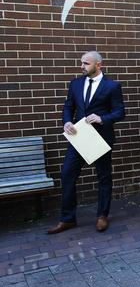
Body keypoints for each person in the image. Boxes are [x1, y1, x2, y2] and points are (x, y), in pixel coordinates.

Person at [47, 51, 125, 234]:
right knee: (67, 174)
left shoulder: (112, 86)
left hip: (100, 139)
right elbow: (68, 107)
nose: (82, 66)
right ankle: (67, 219)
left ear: (99, 65)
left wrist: (102, 118)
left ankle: (102, 216)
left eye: (86, 63)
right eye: (81, 63)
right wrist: (66, 121)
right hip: (79, 138)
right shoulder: (75, 84)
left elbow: (120, 112)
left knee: (103, 177)